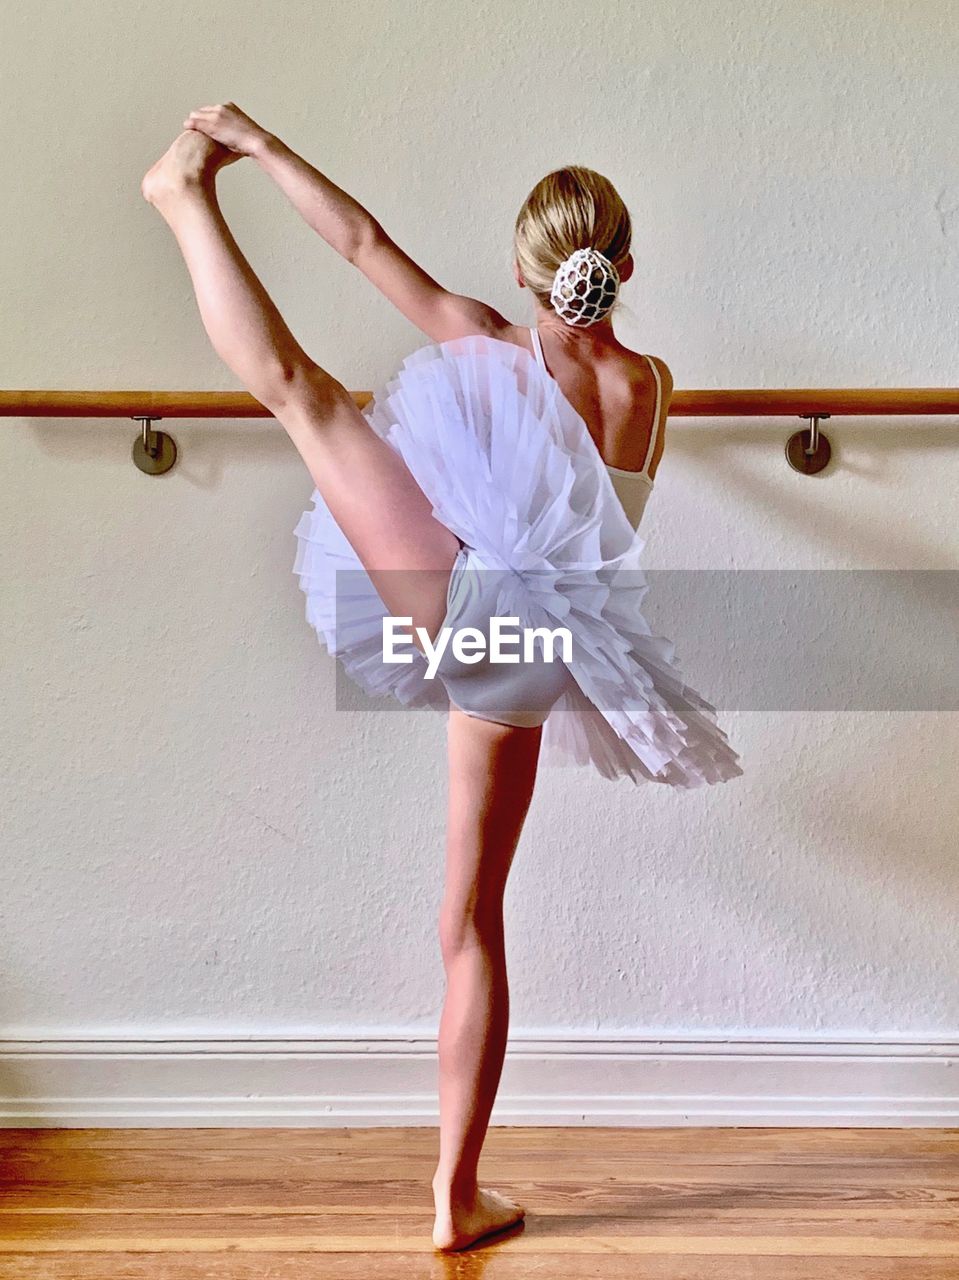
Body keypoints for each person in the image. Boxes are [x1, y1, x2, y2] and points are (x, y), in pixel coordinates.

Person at [141, 106, 743, 1251]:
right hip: (536, 657)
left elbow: (364, 244)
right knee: (471, 918)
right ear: (621, 269)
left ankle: (185, 198)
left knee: (301, 395)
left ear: (526, 272)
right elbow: (600, 497)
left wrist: (262, 146)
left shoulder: (481, 335)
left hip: (461, 597)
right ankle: (452, 1192)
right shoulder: (650, 386)